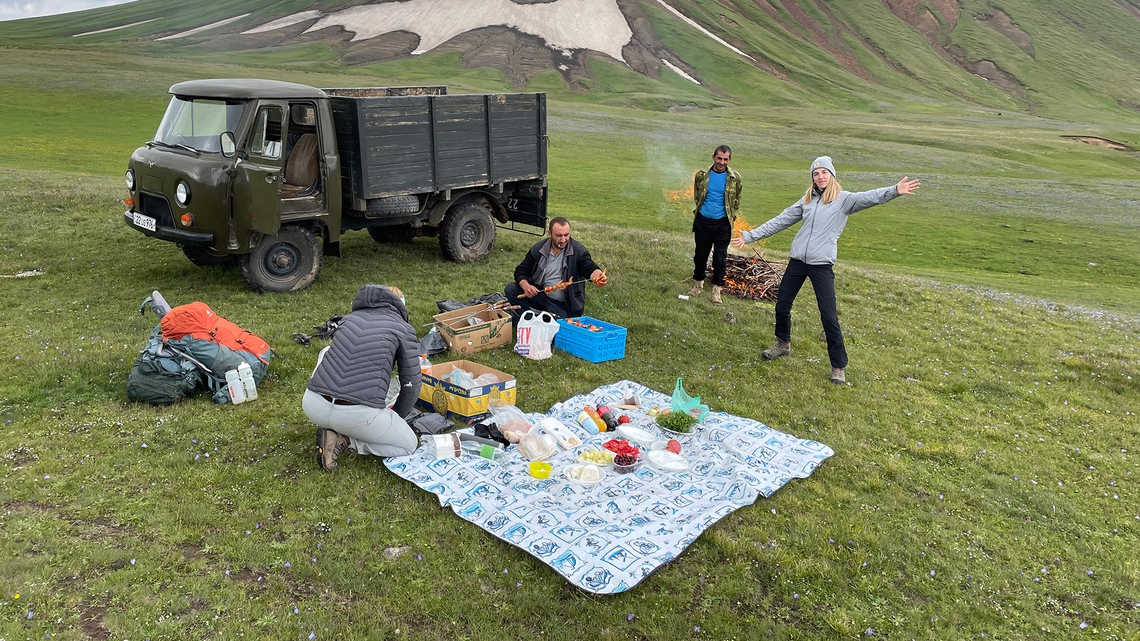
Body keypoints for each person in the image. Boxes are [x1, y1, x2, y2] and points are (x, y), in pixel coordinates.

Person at [731, 156, 920, 385]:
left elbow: (871, 197)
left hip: (821, 265)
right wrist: (750, 235)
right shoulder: (807, 200)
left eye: (824, 173)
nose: (820, 177)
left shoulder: (844, 200)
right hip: (798, 261)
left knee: (828, 315)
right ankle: (783, 345)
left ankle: (838, 366)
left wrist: (895, 191)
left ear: (832, 175)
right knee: (782, 304)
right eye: (815, 173)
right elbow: (781, 220)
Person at [304, 284, 423, 471]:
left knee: (327, 350)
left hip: (313, 406)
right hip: (357, 415)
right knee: (408, 445)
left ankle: (333, 428)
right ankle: (346, 441)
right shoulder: (403, 329)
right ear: (400, 305)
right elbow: (411, 385)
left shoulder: (348, 319)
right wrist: (395, 417)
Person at [504, 217, 606, 318]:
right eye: (558, 236)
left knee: (560, 328)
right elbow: (521, 270)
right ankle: (528, 321)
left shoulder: (578, 251)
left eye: (566, 235)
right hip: (542, 295)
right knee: (511, 289)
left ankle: (549, 318)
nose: (563, 240)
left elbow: (589, 267)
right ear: (550, 234)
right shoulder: (539, 248)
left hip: (565, 305)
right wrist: (526, 286)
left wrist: (598, 276)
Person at [689, 145, 743, 305]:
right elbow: (697, 195)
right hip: (703, 221)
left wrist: (730, 216)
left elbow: (737, 199)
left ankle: (716, 292)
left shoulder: (735, 178)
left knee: (720, 258)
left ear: (729, 160)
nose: (722, 162)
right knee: (700, 255)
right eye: (719, 158)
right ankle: (697, 286)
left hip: (723, 224)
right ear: (713, 157)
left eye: (725, 159)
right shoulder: (702, 175)